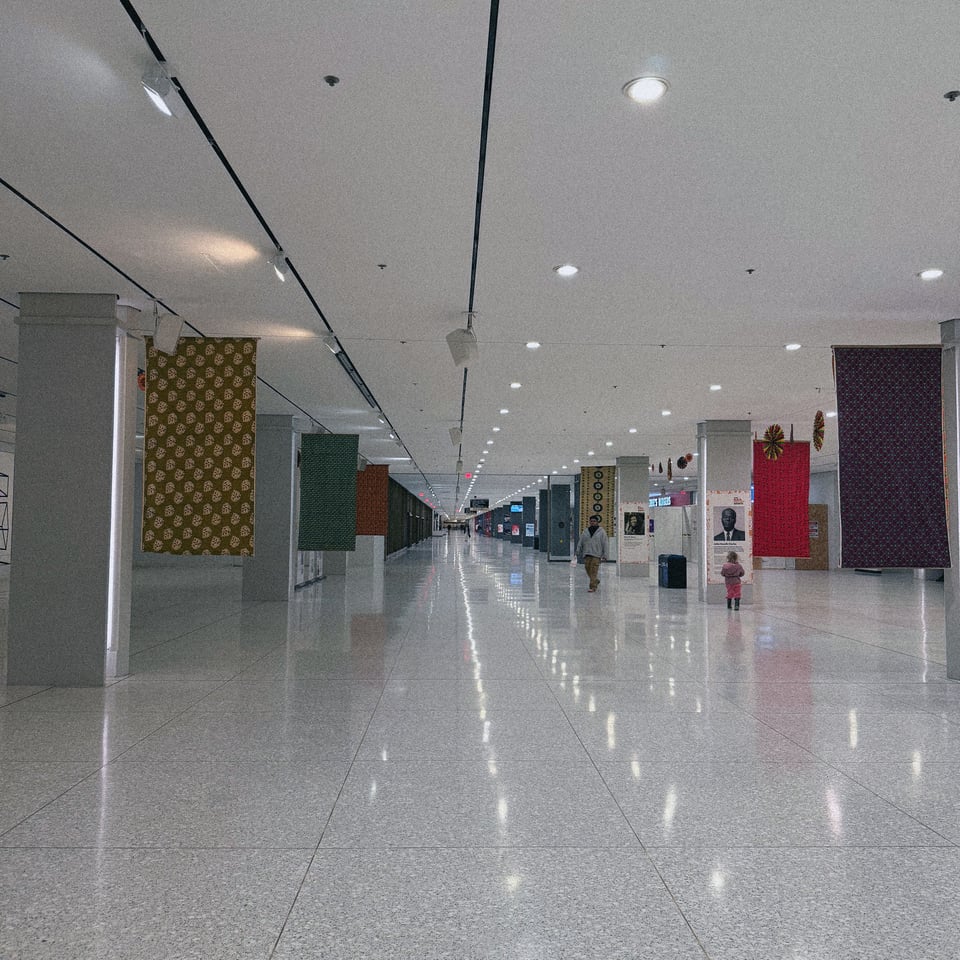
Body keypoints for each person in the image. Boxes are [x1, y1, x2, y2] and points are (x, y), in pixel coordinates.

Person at [575, 515, 608, 592]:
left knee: (593, 570)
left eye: (594, 521)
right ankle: (595, 580)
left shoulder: (601, 532)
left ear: (597, 522)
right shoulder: (585, 531)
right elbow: (581, 541)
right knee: (587, 568)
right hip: (587, 553)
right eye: (591, 521)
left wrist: (605, 555)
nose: (592, 522)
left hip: (596, 554)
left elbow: (605, 544)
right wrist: (578, 550)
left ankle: (592, 587)